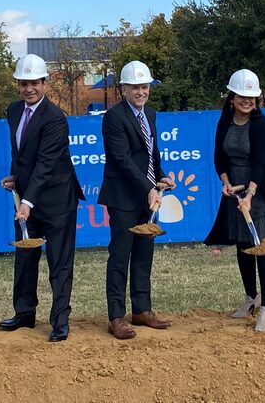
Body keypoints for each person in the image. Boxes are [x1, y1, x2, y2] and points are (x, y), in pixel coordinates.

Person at [0, 54, 84, 342]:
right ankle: (24, 314)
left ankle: (60, 321)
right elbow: (21, 155)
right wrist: (15, 178)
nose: (28, 88)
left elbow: (46, 163)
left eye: (34, 82)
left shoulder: (56, 119)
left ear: (45, 83)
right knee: (25, 257)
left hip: (57, 199)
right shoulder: (12, 111)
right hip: (27, 197)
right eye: (23, 83)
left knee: (59, 262)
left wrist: (27, 202)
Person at [204, 69, 265, 332]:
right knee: (244, 243)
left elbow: (261, 161)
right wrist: (225, 181)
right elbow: (219, 158)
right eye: (242, 95)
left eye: (252, 96)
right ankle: (251, 298)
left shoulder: (261, 124)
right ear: (232, 97)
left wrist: (250, 193)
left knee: (263, 244)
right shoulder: (224, 122)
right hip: (236, 187)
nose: (247, 100)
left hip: (262, 186)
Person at [98, 60, 175, 340]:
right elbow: (122, 159)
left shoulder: (150, 114)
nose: (141, 91)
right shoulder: (114, 117)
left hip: (146, 195)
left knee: (144, 255)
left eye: (145, 86)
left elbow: (151, 153)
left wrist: (161, 177)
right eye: (135, 87)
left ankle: (142, 310)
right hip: (123, 197)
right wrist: (148, 188)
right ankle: (116, 317)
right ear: (123, 89)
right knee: (120, 256)